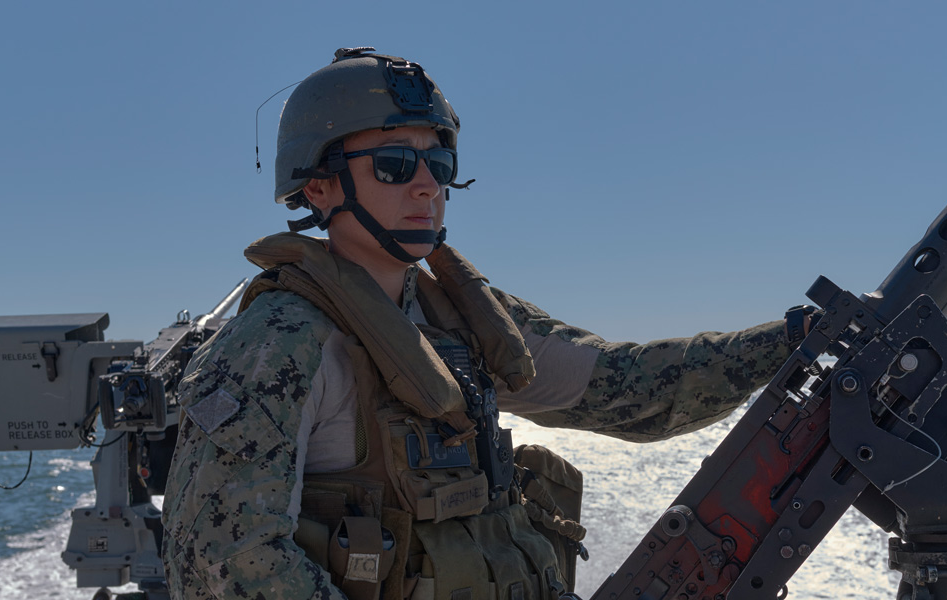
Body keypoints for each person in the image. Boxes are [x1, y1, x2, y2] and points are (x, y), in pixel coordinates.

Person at [161, 47, 813, 600]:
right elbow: (222, 556)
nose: (426, 187)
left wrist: (788, 343)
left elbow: (626, 391)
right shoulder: (277, 344)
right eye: (394, 164)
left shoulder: (461, 316)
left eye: (438, 165)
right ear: (318, 187)